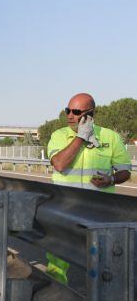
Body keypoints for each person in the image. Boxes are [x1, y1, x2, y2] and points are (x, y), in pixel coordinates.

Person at [45, 92, 132, 283]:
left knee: (103, 264)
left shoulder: (111, 137)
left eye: (76, 112)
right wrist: (80, 137)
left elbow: (125, 172)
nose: (69, 115)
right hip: (64, 209)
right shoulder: (59, 135)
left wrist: (111, 179)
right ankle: (54, 299)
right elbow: (59, 164)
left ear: (90, 114)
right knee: (57, 262)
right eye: (67, 110)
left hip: (98, 212)